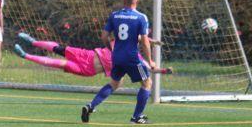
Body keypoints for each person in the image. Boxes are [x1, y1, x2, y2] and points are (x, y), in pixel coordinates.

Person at [82, 0, 156, 124]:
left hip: (117, 57)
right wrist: (150, 60)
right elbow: (145, 42)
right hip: (132, 58)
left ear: (124, 1)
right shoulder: (141, 17)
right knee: (147, 83)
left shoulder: (114, 15)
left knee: (114, 83)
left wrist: (110, 49)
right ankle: (137, 117)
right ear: (137, 1)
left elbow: (104, 36)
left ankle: (90, 106)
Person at [15, 32, 171, 79]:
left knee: (57, 63)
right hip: (87, 55)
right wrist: (154, 41)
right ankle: (33, 42)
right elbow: (140, 37)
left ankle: (25, 55)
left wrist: (164, 71)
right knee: (59, 49)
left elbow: (149, 69)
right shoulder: (122, 41)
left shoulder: (135, 58)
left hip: (87, 70)